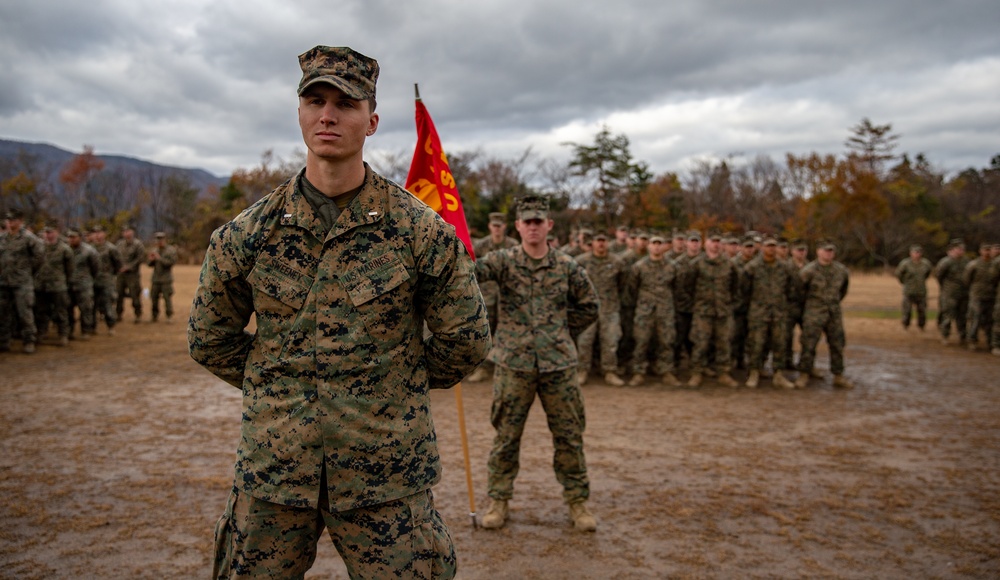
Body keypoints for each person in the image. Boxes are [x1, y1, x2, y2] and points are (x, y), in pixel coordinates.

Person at [188, 45, 491, 579]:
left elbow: (465, 338)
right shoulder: (248, 235)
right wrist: (276, 387)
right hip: (276, 471)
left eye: (345, 103)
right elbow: (210, 337)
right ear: (300, 112)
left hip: (387, 473)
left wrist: (392, 388)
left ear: (371, 121)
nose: (327, 115)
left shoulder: (420, 234)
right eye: (315, 100)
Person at [473, 194, 600, 532]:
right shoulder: (503, 261)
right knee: (506, 437)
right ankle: (498, 500)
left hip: (558, 367)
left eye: (537, 221)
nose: (532, 226)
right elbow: (468, 269)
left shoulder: (567, 266)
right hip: (514, 365)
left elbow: (590, 305)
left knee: (570, 436)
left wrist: (560, 334)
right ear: (517, 226)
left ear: (548, 225)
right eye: (526, 221)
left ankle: (578, 502)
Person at [795, 241, 852, 389]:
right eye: (825, 251)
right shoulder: (808, 271)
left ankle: (838, 375)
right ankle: (804, 374)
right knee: (808, 344)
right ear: (818, 252)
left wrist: (833, 302)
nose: (828, 254)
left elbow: (843, 290)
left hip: (834, 313)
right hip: (814, 313)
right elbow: (800, 292)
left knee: (837, 344)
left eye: (831, 251)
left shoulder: (841, 271)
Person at [741, 237, 797, 389]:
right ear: (762, 248)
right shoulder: (752, 267)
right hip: (759, 312)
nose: (771, 249)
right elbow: (744, 290)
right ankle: (754, 373)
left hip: (779, 312)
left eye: (774, 246)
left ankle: (778, 374)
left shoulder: (785, 267)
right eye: (768, 246)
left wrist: (784, 305)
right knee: (756, 343)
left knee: (780, 344)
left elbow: (792, 289)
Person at [685, 232, 739, 388]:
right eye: (712, 241)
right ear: (705, 243)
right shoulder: (697, 264)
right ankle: (696, 373)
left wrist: (728, 302)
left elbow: (736, 286)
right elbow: (687, 286)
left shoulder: (729, 264)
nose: (715, 244)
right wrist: (698, 303)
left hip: (723, 311)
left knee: (724, 343)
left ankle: (723, 373)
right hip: (703, 311)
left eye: (718, 241)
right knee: (700, 343)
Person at [574, 232, 628, 386]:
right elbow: (574, 284)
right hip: (587, 308)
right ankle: (582, 371)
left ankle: (610, 371)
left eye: (604, 241)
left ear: (608, 242)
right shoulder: (581, 261)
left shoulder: (617, 262)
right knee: (584, 341)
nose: (601, 244)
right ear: (593, 243)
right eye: (598, 241)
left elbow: (623, 284)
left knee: (610, 341)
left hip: (610, 308)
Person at [628, 234, 680, 387]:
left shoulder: (673, 267)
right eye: (653, 243)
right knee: (641, 341)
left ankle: (666, 371)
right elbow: (632, 289)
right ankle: (638, 372)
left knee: (667, 341)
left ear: (664, 246)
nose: (656, 246)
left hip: (665, 310)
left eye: (660, 243)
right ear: (649, 246)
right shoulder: (639, 267)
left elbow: (678, 288)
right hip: (645, 311)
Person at [0, 208, 44, 353]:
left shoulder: (28, 238)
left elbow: (39, 257)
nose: (10, 222)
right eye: (8, 219)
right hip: (4, 282)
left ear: (20, 221)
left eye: (13, 220)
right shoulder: (2, 238)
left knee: (24, 313)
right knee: (3, 314)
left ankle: (29, 341)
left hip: (22, 282)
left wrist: (28, 271)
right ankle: (4, 341)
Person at [34, 225, 74, 346]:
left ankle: (63, 335)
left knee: (61, 310)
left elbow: (70, 269)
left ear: (56, 232)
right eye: (46, 232)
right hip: (41, 284)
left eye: (50, 232)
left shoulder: (65, 249)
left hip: (58, 285)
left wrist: (63, 281)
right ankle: (42, 332)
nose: (47, 235)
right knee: (41, 311)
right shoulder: (38, 248)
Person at [66, 229, 100, 340]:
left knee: (86, 308)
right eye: (70, 237)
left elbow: (95, 267)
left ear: (80, 237)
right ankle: (69, 330)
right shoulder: (65, 250)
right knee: (68, 308)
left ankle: (86, 330)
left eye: (74, 237)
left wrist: (88, 279)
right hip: (68, 284)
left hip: (84, 284)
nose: (71, 239)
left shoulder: (89, 251)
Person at [935, 239, 969, 346]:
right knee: (948, 315)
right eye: (958, 249)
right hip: (949, 294)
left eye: (962, 249)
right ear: (953, 250)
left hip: (964, 294)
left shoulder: (966, 262)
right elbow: (939, 276)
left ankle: (963, 337)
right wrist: (946, 287)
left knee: (962, 316)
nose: (961, 251)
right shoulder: (946, 262)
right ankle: (945, 336)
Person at [963, 242, 997, 350]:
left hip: (992, 296)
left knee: (990, 320)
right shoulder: (974, 264)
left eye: (989, 250)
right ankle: (972, 340)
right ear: (980, 251)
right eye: (985, 250)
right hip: (977, 295)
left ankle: (990, 341)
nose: (987, 252)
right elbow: (966, 279)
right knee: (975, 319)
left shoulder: (994, 264)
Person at [91, 226, 122, 335]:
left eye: (99, 232)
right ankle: (92, 327)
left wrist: (110, 275)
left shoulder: (111, 248)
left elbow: (118, 264)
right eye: (95, 233)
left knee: (107, 304)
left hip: (106, 280)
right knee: (92, 305)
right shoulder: (90, 248)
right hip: (92, 281)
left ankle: (111, 326)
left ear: (104, 234)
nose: (97, 235)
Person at [894, 244, 933, 331]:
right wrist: (904, 282)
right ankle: (905, 325)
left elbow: (927, 274)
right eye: (915, 252)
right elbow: (898, 274)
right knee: (907, 311)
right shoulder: (905, 264)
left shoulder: (925, 263)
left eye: (918, 252)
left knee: (922, 311)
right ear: (910, 253)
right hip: (908, 291)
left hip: (921, 291)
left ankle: (921, 326)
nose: (917, 254)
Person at [115, 225, 145, 323]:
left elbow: (140, 258)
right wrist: (119, 267)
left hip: (133, 275)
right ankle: (118, 313)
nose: (126, 233)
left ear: (132, 232)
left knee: (135, 294)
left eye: (128, 231)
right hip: (120, 274)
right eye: (125, 231)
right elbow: (115, 257)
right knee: (118, 294)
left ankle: (138, 314)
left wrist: (129, 267)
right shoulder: (119, 244)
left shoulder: (138, 244)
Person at [147, 232, 178, 322]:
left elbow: (170, 263)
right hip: (156, 279)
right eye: (158, 239)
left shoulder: (170, 250)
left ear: (165, 240)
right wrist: (151, 260)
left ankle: (169, 315)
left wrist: (159, 258)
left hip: (166, 279)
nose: (159, 241)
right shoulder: (154, 250)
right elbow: (149, 264)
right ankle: (154, 315)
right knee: (153, 298)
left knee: (167, 298)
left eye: (161, 239)